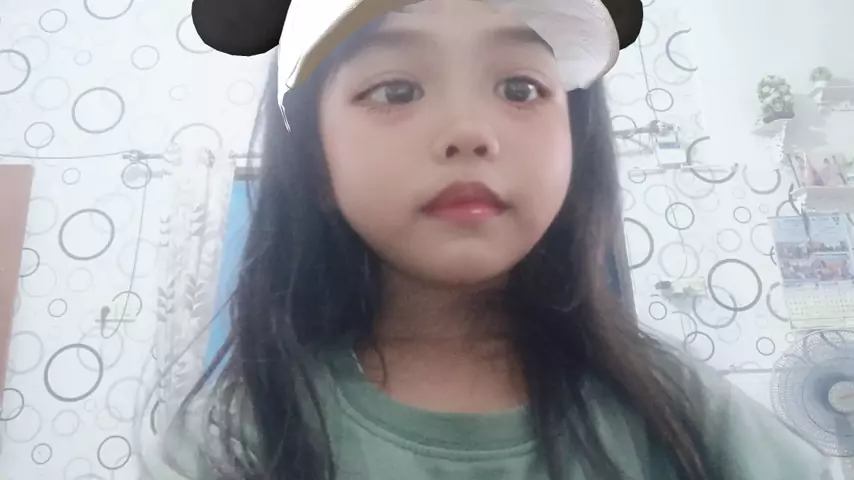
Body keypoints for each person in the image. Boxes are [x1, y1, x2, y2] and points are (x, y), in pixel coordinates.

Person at [144, 1, 829, 479]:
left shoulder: (677, 408)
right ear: (316, 162)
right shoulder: (233, 440)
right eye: (395, 91)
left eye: (521, 88)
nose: (469, 131)